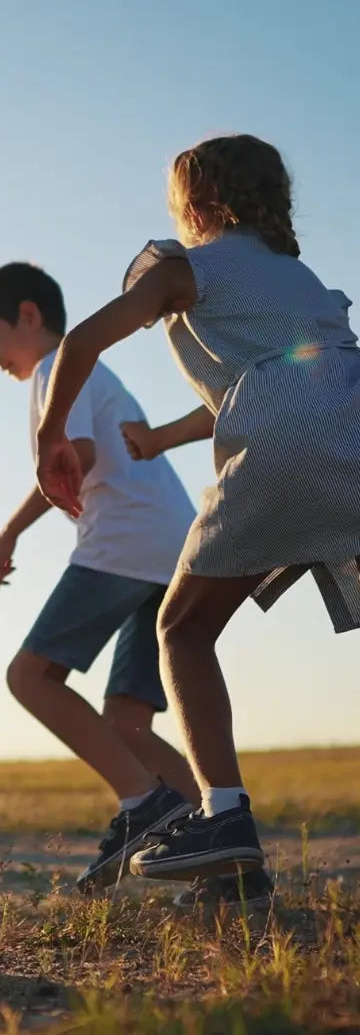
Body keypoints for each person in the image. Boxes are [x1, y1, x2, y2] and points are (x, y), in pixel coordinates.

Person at [35, 134, 359, 908]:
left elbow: (81, 339)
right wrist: (163, 438)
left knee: (181, 630)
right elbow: (272, 378)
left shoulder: (188, 267)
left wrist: (51, 434)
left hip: (285, 438)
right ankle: (232, 871)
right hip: (349, 424)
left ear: (200, 203)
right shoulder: (298, 278)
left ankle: (226, 825)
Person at [0, 263, 199, 891]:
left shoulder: (55, 368)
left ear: (29, 317)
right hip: (171, 546)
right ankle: (221, 834)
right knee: (126, 723)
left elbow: (79, 456)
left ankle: (143, 804)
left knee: (30, 677)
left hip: (125, 542)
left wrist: (10, 532)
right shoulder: (76, 368)